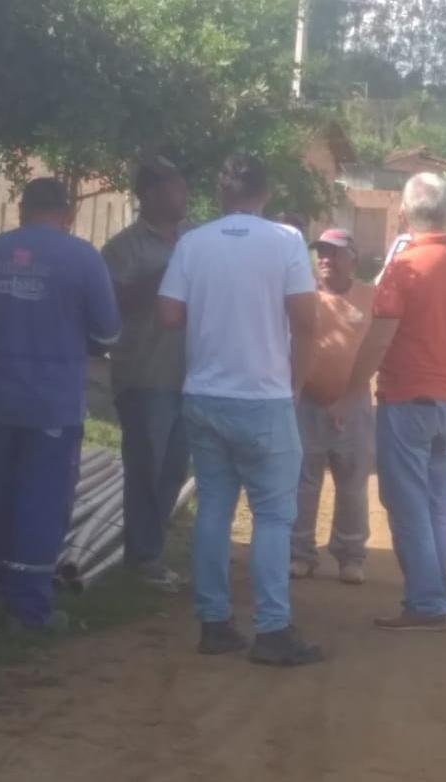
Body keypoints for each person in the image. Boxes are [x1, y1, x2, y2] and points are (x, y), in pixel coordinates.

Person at [158, 154, 322, 666]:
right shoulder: (286, 242)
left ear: (222, 194)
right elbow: (308, 320)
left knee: (213, 509)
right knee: (273, 516)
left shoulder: (192, 242)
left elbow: (168, 314)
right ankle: (272, 630)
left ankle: (214, 624)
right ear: (265, 193)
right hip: (263, 396)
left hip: (205, 394)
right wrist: (296, 381)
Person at [347, 172, 446, 631]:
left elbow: (379, 340)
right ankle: (434, 591)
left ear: (401, 217)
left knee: (406, 501)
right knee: (436, 501)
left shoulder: (403, 268)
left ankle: (427, 602)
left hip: (406, 397)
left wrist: (353, 384)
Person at [0, 178, 121, 631]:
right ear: (68, 212)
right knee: (41, 499)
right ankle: (29, 607)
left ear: (22, 210)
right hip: (51, 404)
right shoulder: (82, 258)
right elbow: (109, 334)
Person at [103, 156, 190, 591]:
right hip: (144, 374)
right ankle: (144, 556)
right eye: (176, 187)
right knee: (146, 465)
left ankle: (149, 549)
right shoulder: (124, 248)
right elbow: (113, 306)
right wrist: (169, 273)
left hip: (189, 375)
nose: (185, 195)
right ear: (151, 194)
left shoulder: (194, 240)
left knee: (175, 467)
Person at [290, 228, 374, 585]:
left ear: (353, 259)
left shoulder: (371, 297)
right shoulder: (304, 296)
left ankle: (350, 557)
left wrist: (348, 398)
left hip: (353, 406)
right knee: (303, 482)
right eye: (321, 252)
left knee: (352, 484)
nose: (325, 258)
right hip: (306, 404)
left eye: (334, 252)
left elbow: (378, 350)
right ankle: (300, 554)